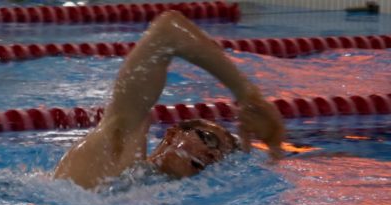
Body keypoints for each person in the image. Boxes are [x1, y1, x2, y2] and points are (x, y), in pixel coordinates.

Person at [54, 11, 284, 189]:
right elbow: (167, 32)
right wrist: (247, 94)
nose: (212, 155)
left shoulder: (154, 195)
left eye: (219, 158)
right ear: (173, 134)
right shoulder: (118, 146)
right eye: (208, 140)